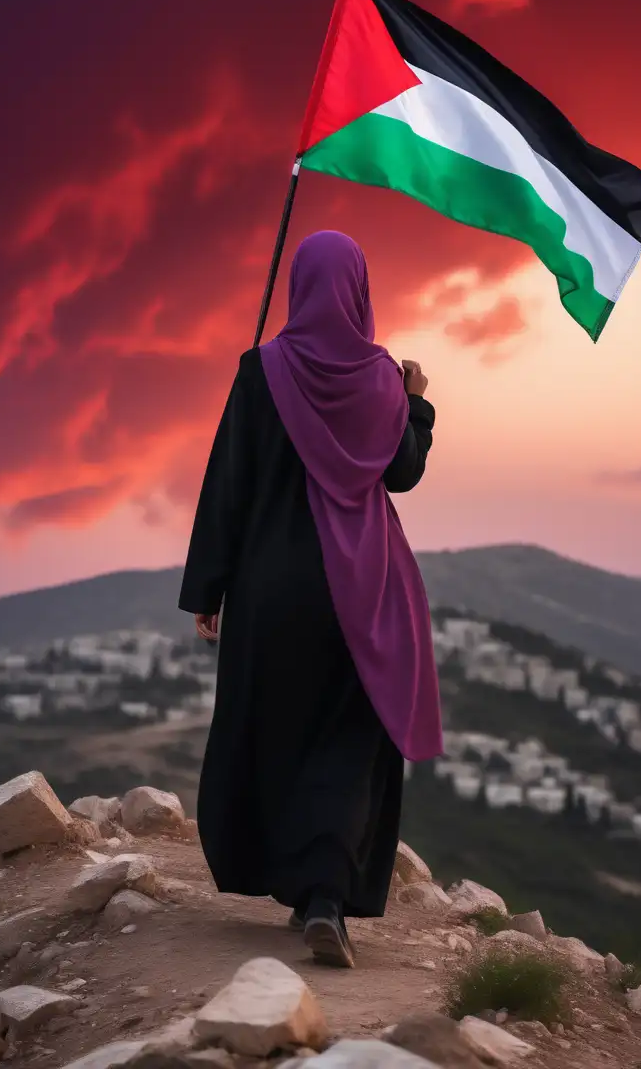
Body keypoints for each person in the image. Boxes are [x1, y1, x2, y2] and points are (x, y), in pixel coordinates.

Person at [178, 230, 443, 969]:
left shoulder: (259, 371)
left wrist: (208, 586)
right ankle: (324, 898)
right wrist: (417, 404)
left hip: (271, 593)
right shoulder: (383, 378)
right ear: (358, 291)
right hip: (362, 592)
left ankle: (290, 882)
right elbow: (402, 475)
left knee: (281, 731)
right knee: (347, 746)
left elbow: (227, 483)